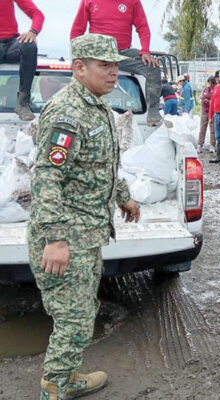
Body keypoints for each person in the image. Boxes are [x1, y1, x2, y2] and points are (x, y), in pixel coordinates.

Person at [28, 34, 141, 400]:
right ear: (79, 68)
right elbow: (47, 176)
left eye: (116, 65)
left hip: (88, 234)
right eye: (104, 65)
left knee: (82, 311)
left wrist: (123, 198)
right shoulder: (67, 113)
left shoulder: (96, 105)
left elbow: (100, 165)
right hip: (68, 238)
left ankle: (66, 375)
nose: (114, 72)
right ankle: (56, 387)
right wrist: (55, 239)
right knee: (74, 319)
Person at [70, 0, 163, 127]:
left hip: (122, 53)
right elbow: (77, 29)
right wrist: (76, 56)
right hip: (98, 53)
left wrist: (145, 51)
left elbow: (143, 27)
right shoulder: (88, 1)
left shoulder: (133, 1)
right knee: (82, 74)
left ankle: (153, 114)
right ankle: (76, 110)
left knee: (153, 67)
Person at [0, 0, 44, 121]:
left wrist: (33, 31)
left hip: (11, 43)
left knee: (29, 45)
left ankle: (23, 103)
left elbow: (37, 14)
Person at [198, 76, 217, 153]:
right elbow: (201, 97)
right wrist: (202, 100)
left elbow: (217, 102)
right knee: (202, 128)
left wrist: (209, 102)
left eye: (211, 83)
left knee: (213, 129)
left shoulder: (216, 90)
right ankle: (200, 145)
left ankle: (212, 145)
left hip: (212, 112)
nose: (209, 85)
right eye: (208, 83)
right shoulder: (205, 89)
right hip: (204, 111)